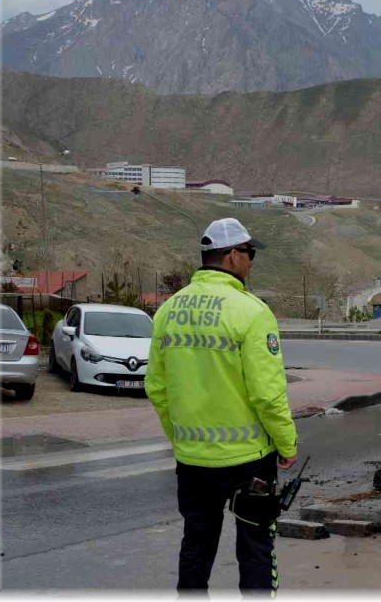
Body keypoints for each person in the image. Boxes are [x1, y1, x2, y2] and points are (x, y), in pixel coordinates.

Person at [145, 217, 299, 593]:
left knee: (196, 546)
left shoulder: (168, 311)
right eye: (249, 254)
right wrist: (287, 443)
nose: (251, 262)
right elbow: (267, 394)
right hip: (249, 461)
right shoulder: (252, 312)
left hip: (193, 461)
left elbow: (156, 387)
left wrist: (180, 437)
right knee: (256, 547)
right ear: (232, 256)